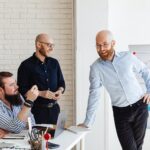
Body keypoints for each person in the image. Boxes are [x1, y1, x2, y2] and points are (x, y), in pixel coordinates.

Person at [79, 30, 150, 150]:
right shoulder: (96, 68)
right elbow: (94, 94)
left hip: (140, 106)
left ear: (113, 43)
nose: (101, 49)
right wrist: (88, 122)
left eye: (105, 44)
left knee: (138, 147)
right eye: (98, 45)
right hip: (121, 113)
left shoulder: (127, 57)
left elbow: (145, 71)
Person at [17, 33, 65, 124]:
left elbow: (61, 83)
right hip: (36, 113)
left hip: (55, 110)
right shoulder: (25, 65)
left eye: (52, 45)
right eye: (49, 45)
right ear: (39, 45)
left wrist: (60, 91)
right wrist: (41, 93)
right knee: (39, 138)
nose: (52, 48)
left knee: (56, 137)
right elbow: (21, 90)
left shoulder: (54, 63)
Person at [0, 71, 39, 138]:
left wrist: (8, 129)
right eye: (12, 85)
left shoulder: (17, 96)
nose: (17, 87)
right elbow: (16, 128)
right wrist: (29, 102)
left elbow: (31, 122)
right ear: (1, 90)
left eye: (15, 83)